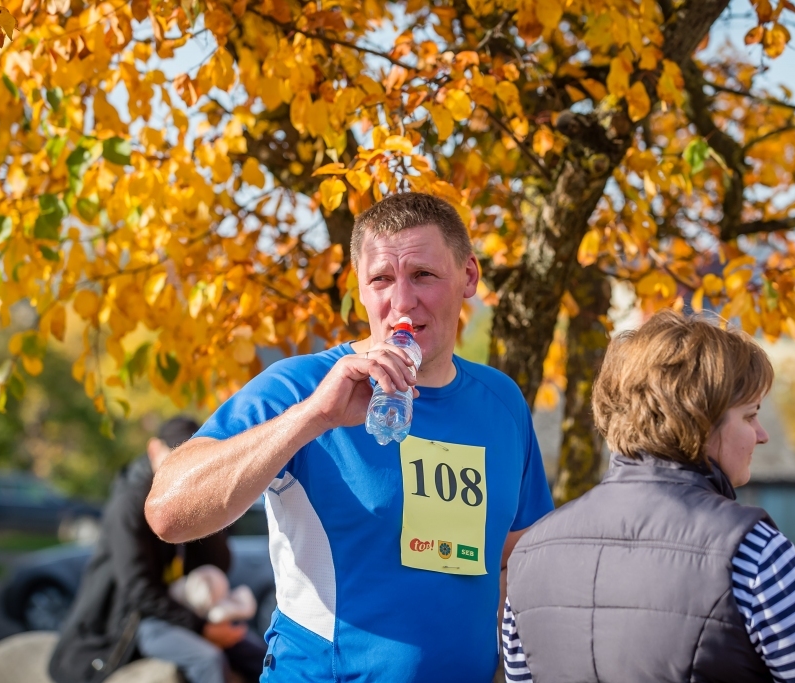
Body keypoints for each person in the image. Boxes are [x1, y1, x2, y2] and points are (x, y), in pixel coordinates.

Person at [145, 192, 555, 682]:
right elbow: (167, 512)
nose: (402, 302)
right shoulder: (302, 387)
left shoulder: (501, 401)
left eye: (423, 275)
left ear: (468, 277)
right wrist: (313, 416)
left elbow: (520, 560)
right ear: (359, 288)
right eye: (382, 279)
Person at [502, 311, 795, 683]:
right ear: (699, 420)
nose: (762, 434)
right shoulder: (752, 553)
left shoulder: (531, 555)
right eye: (750, 415)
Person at [48, 416, 267, 683]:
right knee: (208, 661)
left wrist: (206, 509)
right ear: (154, 450)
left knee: (259, 654)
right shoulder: (128, 504)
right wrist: (202, 628)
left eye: (194, 459)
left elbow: (218, 565)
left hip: (184, 608)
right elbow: (138, 589)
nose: (184, 468)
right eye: (176, 456)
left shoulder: (186, 496)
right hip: (138, 619)